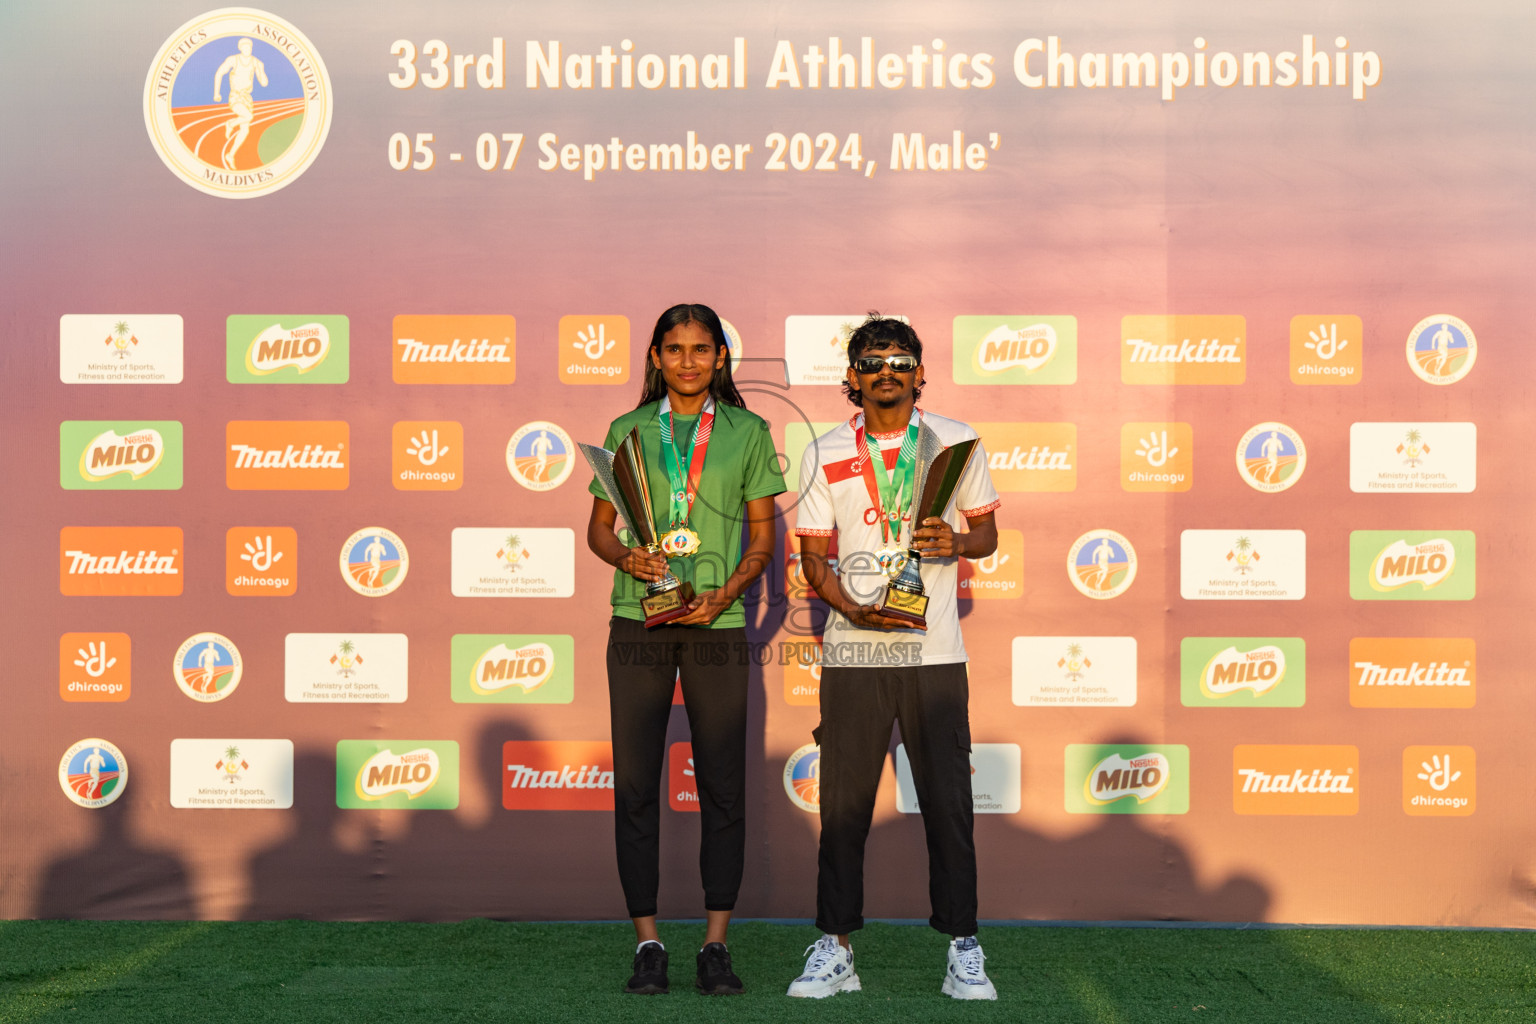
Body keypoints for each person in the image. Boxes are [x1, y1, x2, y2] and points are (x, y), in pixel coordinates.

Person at [788, 313, 1001, 1000]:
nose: (887, 371)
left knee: (949, 806)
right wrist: (852, 610)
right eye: (873, 361)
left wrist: (957, 545)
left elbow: (988, 533)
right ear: (853, 377)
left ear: (918, 371)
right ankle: (835, 947)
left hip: (935, 655)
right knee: (844, 810)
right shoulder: (821, 450)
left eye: (900, 360)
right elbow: (812, 560)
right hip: (853, 654)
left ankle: (964, 949)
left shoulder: (955, 441)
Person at [586, 303, 785, 996]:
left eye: (702, 349)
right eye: (675, 349)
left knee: (722, 786)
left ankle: (714, 944)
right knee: (637, 786)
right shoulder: (627, 430)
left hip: (717, 625)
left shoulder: (748, 431)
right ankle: (647, 944)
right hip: (637, 622)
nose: (689, 361)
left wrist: (725, 594)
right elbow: (601, 532)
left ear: (721, 358)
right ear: (655, 357)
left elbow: (762, 541)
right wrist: (628, 560)